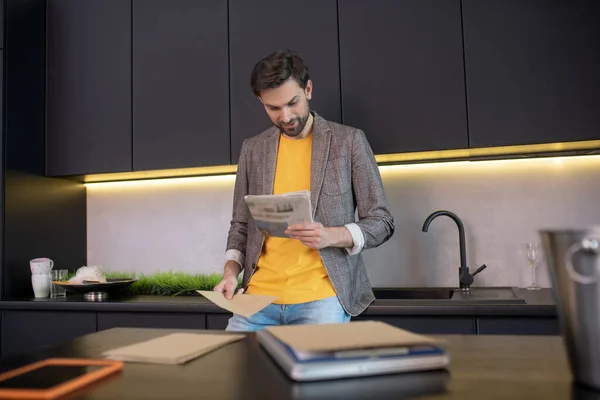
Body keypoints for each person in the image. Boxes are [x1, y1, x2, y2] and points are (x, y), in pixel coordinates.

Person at [213, 49, 394, 331]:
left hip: (322, 299)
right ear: (261, 102)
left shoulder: (349, 142)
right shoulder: (253, 149)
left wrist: (330, 235)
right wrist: (229, 273)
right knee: (230, 371)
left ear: (308, 89)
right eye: (273, 108)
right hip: (256, 300)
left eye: (292, 103)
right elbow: (240, 225)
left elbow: (382, 222)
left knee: (312, 375)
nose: (285, 116)